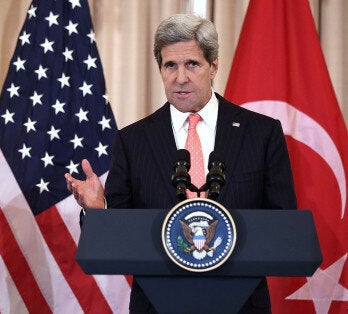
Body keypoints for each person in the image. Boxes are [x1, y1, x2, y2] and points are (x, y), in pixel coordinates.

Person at [65, 14, 296, 314]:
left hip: (242, 304)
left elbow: (282, 224)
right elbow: (119, 238)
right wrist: (98, 213)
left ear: (213, 66)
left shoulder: (261, 133)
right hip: (157, 305)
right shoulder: (133, 140)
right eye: (170, 65)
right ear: (160, 68)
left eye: (192, 64)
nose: (180, 78)